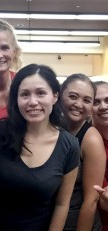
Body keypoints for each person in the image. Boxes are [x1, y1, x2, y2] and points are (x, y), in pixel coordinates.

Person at [0, 63, 80, 231]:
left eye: (41, 93)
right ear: (16, 99)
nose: (33, 102)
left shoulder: (69, 145)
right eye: (24, 94)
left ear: (55, 96)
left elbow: (62, 204)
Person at [60, 74, 106, 230]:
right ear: (59, 96)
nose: (78, 104)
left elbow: (91, 202)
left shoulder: (91, 139)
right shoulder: (51, 128)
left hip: (79, 224)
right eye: (73, 97)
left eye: (86, 100)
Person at [91, 81, 108, 231]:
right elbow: (101, 200)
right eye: (96, 102)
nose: (103, 106)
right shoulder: (84, 143)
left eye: (107, 100)